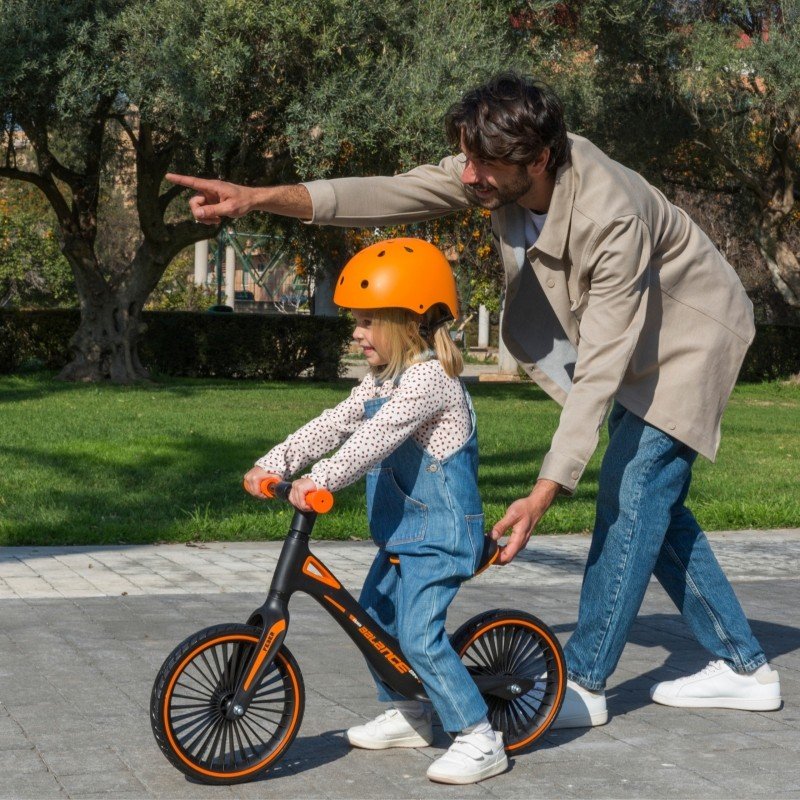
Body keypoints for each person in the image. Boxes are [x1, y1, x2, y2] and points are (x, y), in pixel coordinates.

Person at [170, 72, 782, 729]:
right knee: (650, 502)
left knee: (633, 493)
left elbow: (601, 369)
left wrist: (546, 489)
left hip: (689, 337)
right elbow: (387, 192)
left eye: (482, 166)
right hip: (637, 336)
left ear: (539, 159)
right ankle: (745, 666)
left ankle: (585, 682)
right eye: (466, 159)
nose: (468, 177)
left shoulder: (612, 214)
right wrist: (259, 197)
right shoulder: (494, 163)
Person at [243, 237, 508, 785]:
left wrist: (321, 479)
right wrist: (273, 462)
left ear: (407, 323)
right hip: (401, 537)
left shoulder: (432, 379)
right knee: (373, 622)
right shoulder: (381, 380)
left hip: (441, 538)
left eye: (367, 321)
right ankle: (412, 714)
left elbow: (375, 438)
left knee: (416, 635)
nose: (356, 332)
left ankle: (480, 736)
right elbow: (335, 423)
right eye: (355, 322)